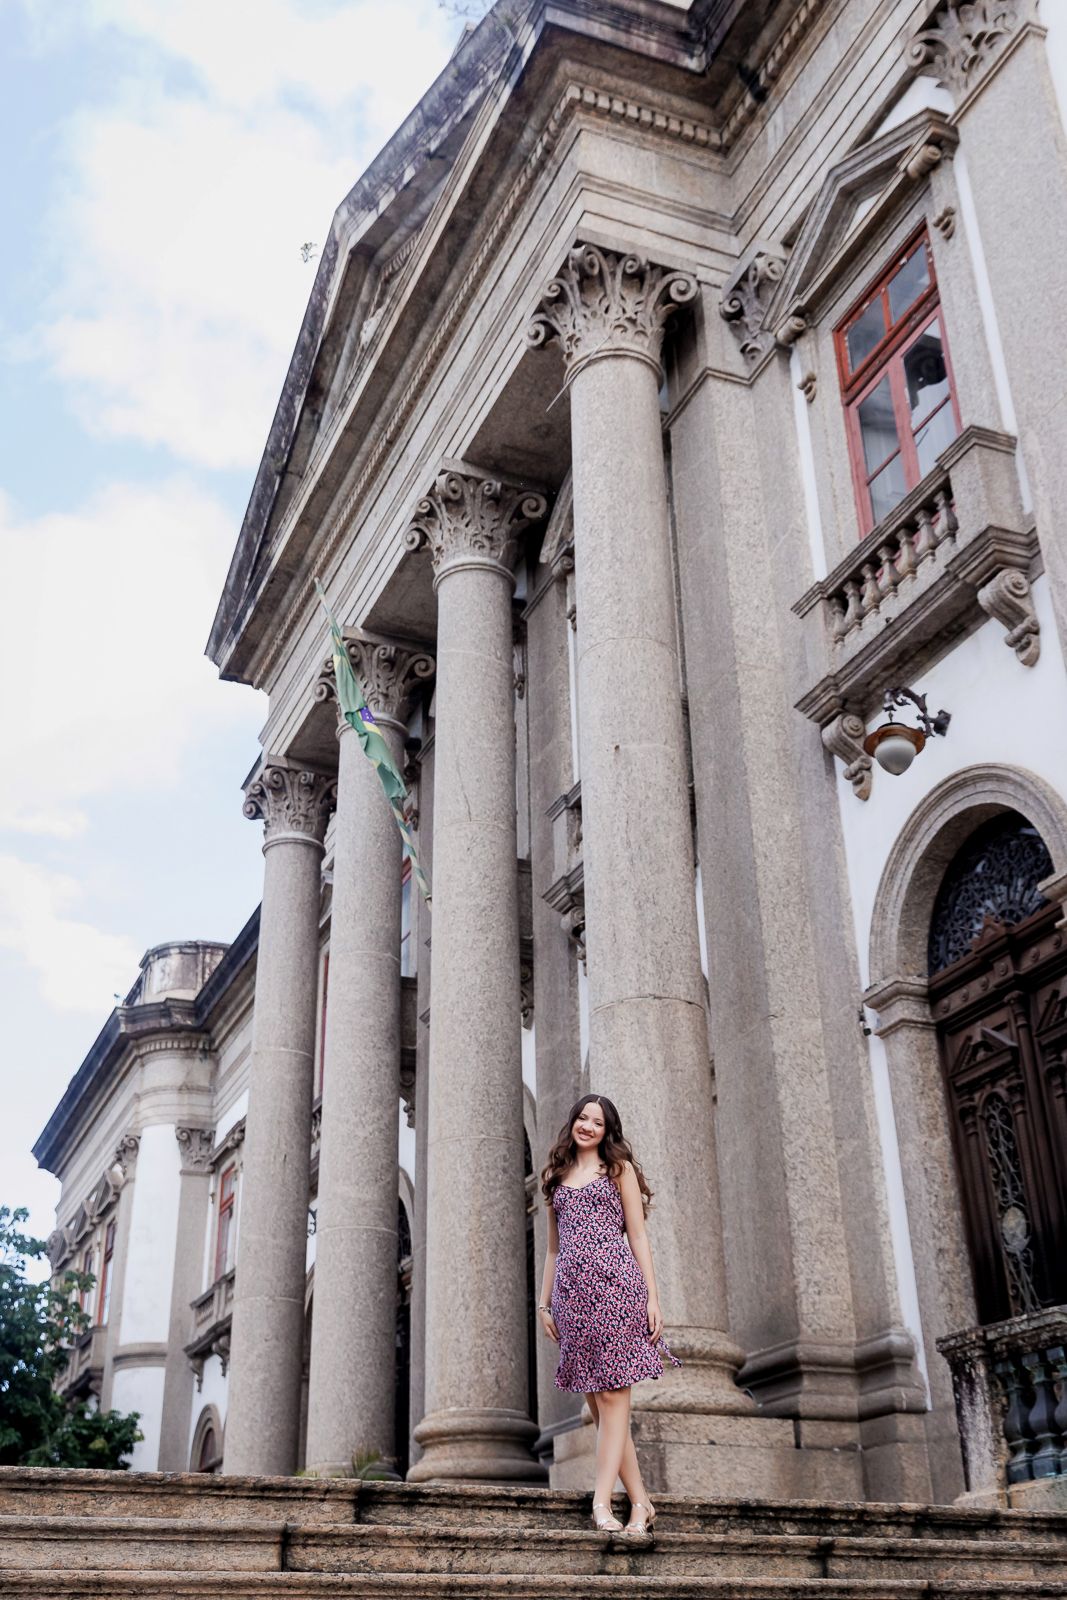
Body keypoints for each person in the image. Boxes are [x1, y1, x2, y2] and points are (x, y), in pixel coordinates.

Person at [537, 1093, 680, 1537]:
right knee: (601, 1411)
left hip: (617, 1289)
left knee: (616, 1399)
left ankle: (601, 1503)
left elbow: (638, 1238)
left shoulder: (620, 1171)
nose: (588, 1126)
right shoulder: (556, 1176)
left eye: (597, 1122)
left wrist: (653, 1299)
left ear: (607, 1130)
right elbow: (553, 1249)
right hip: (572, 1299)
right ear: (573, 1122)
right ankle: (641, 1502)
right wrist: (544, 1302)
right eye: (582, 1117)